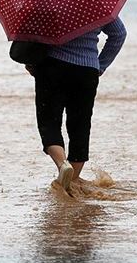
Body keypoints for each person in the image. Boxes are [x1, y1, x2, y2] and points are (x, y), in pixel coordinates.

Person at [26, 17, 126, 191]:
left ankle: (63, 165)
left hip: (51, 67)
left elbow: (31, 36)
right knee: (80, 125)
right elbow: (119, 34)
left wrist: (31, 62)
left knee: (49, 121)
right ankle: (73, 180)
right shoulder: (96, 1)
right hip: (86, 71)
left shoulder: (47, 1)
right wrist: (100, 65)